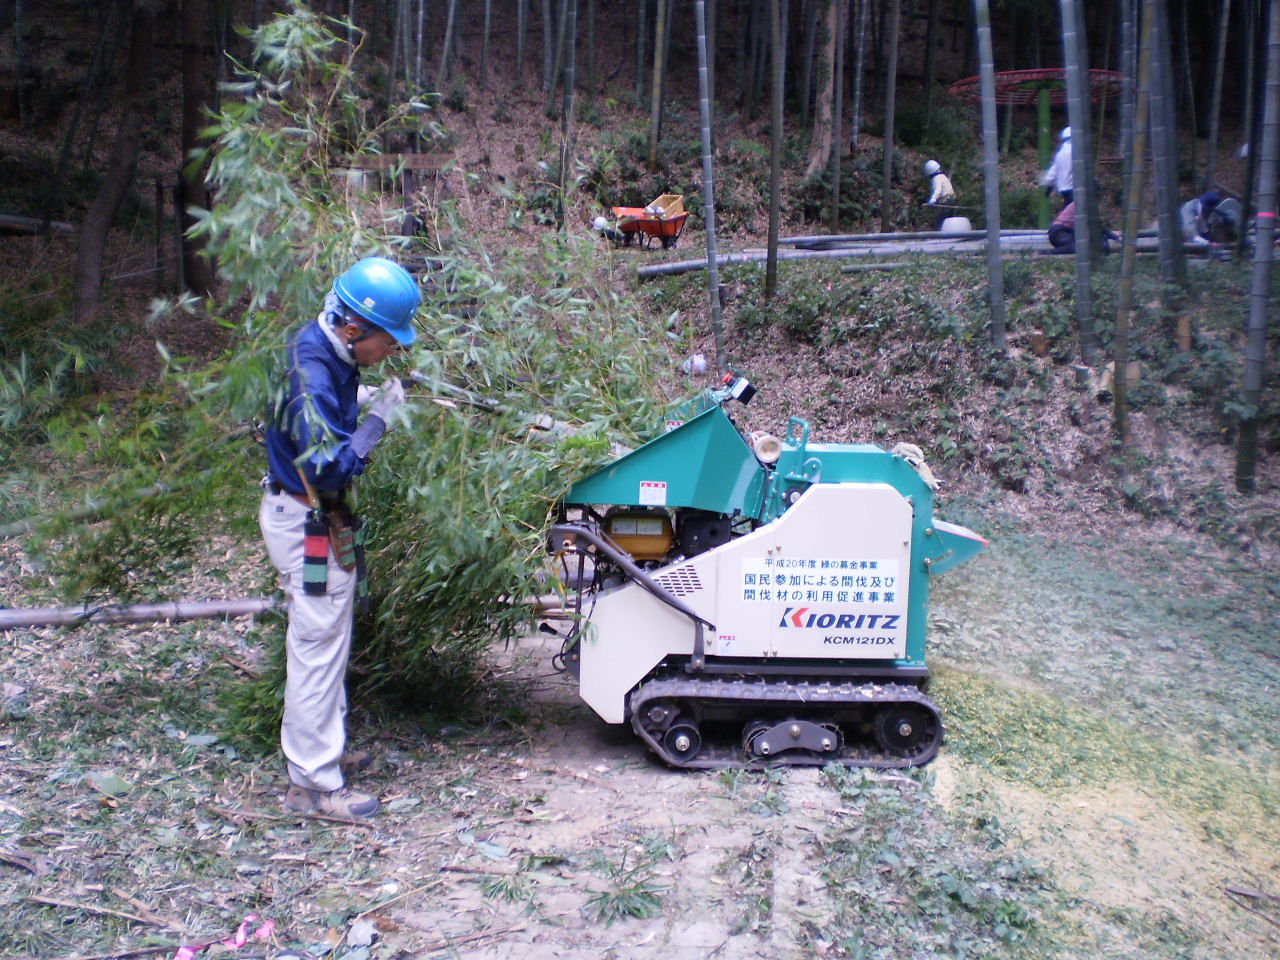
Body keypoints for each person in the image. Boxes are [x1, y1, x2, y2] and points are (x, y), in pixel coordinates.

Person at [259, 256, 420, 820]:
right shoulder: (311, 376)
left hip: (312, 516)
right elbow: (327, 469)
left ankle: (323, 750)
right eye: (388, 342)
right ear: (353, 328)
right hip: (308, 521)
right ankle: (313, 783)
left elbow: (324, 415)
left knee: (326, 642)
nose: (391, 351)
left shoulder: (324, 349)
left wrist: (358, 401)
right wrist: (375, 424)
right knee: (316, 648)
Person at [1045, 202, 1121, 255]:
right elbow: (1095, 226)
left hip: (1065, 232)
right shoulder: (1081, 205)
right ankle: (1046, 253)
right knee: (1078, 248)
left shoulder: (1082, 204)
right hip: (1058, 232)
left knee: (1080, 246)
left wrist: (1112, 236)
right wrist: (1113, 236)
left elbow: (1095, 227)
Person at [1040, 126, 1074, 209]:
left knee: (1067, 208)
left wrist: (1048, 186)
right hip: (1074, 188)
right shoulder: (1075, 150)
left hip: (1063, 189)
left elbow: (1053, 172)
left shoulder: (1060, 153)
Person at [923, 159, 956, 230]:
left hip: (946, 201)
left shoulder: (936, 178)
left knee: (941, 220)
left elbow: (938, 190)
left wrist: (933, 198)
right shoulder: (943, 176)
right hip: (951, 200)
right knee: (949, 219)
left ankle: (937, 232)